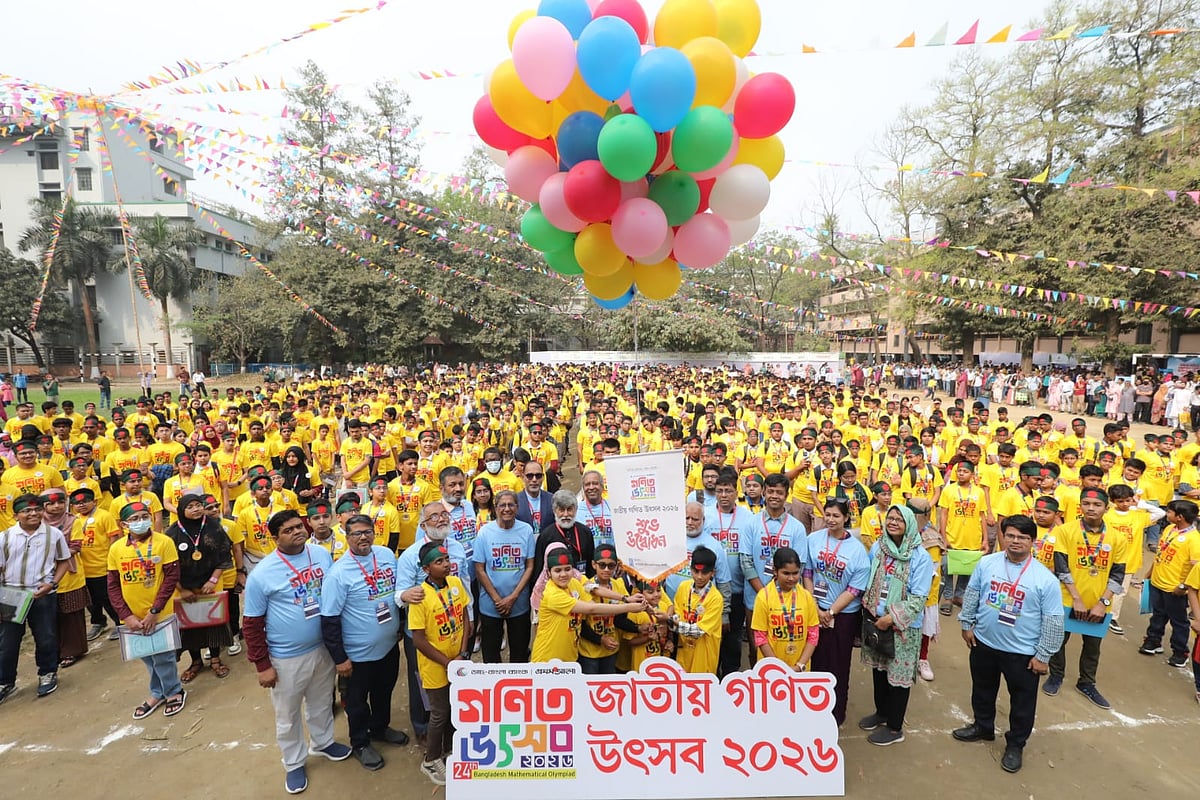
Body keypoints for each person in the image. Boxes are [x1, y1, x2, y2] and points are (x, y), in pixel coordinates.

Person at [243, 510, 351, 795]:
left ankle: (323, 743)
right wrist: (262, 664)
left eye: (298, 526)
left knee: (321, 702)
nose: (297, 532)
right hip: (286, 657)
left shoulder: (321, 555)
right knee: (288, 714)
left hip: (323, 649)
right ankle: (293, 763)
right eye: (288, 530)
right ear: (275, 537)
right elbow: (251, 624)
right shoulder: (262, 574)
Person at [953, 515, 1065, 774]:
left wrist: (1043, 655)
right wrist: (966, 623)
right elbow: (973, 593)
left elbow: (1054, 620)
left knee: (1022, 702)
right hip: (984, 643)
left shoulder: (1045, 579)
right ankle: (983, 726)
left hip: (1022, 653)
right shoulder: (987, 563)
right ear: (1003, 536)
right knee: (982, 689)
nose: (1015, 541)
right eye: (1011, 535)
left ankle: (1015, 744)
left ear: (1032, 541)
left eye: (1022, 537)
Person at [320, 513, 408, 771]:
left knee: (384, 690)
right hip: (357, 654)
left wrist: (400, 625)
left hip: (388, 646)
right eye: (356, 533)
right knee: (357, 702)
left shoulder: (386, 555)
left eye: (367, 531)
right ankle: (360, 742)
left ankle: (379, 727)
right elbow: (329, 620)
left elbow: (398, 594)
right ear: (347, 537)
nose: (363, 537)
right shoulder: (338, 573)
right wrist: (340, 658)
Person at [857, 504, 934, 746]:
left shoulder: (920, 557)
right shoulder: (879, 548)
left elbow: (918, 599)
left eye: (899, 520)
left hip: (902, 627)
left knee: (898, 676)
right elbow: (868, 577)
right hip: (875, 619)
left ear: (909, 524)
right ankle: (881, 713)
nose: (893, 523)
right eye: (890, 518)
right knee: (879, 669)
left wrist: (890, 619)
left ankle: (894, 727)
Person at [1044, 487, 1126, 709]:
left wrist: (1103, 602)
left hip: (1099, 603)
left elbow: (1118, 574)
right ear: (1080, 506)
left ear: (1106, 508)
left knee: (1092, 646)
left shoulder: (1117, 538)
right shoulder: (1065, 531)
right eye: (1086, 504)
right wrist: (1076, 599)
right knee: (1058, 640)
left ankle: (1086, 682)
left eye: (1097, 505)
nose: (1091, 508)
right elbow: (1061, 567)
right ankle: (1056, 675)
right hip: (1067, 598)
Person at [105, 501, 188, 719]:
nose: (140, 521)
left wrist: (154, 610)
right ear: (124, 524)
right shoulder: (116, 549)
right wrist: (126, 615)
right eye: (134, 519)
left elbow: (171, 578)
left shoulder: (164, 542)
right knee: (146, 655)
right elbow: (113, 585)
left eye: (144, 516)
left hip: (160, 613)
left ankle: (173, 691)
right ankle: (158, 692)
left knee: (163, 655)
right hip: (132, 616)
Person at [409, 540, 472, 786]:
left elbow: (465, 617)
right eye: (439, 562)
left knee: (455, 707)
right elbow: (418, 640)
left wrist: (464, 652)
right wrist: (447, 662)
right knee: (440, 712)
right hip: (436, 666)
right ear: (426, 569)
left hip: (458, 660)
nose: (446, 564)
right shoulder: (420, 597)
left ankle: (448, 750)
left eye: (447, 559)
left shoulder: (455, 583)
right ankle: (430, 759)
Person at [804, 496, 870, 726]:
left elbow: (854, 589)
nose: (830, 519)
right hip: (814, 608)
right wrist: (814, 605)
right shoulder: (813, 539)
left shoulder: (858, 550)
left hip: (843, 616)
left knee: (838, 665)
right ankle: (811, 710)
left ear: (846, 518)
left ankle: (835, 714)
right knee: (814, 660)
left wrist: (830, 613)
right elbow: (807, 572)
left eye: (836, 516)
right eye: (828, 514)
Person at [0, 493, 72, 703]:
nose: (33, 514)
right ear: (16, 515)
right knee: (7, 641)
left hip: (42, 594)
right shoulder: (5, 537)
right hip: (11, 596)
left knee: (46, 636)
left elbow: (64, 561)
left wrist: (52, 584)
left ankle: (47, 673)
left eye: (37, 509)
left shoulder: (53, 535)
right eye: (26, 511)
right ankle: (5, 681)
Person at [529, 544, 645, 663]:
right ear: (549, 573)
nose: (563, 574)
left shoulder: (574, 583)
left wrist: (625, 599)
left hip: (570, 658)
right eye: (558, 570)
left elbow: (594, 591)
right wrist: (629, 607)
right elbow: (591, 609)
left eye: (567, 569)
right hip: (547, 660)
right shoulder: (552, 594)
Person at [168, 492, 234, 683]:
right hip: (184, 588)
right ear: (181, 510)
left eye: (198, 505)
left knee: (214, 624)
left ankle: (215, 659)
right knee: (190, 626)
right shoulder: (172, 533)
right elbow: (168, 567)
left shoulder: (214, 527)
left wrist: (212, 580)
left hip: (211, 584)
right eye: (190, 507)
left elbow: (224, 555)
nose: (196, 509)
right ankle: (195, 661)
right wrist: (182, 589)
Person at [472, 490, 535, 664]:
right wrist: (497, 599)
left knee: (520, 652)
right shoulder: (485, 532)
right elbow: (479, 569)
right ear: (495, 507)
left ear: (517, 507)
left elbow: (529, 566)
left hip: (519, 603)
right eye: (502, 505)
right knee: (491, 654)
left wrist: (513, 597)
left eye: (511, 505)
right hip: (491, 604)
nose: (507, 509)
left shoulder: (526, 530)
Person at [1138, 499, 1200, 668]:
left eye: (1170, 512)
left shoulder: (1194, 539)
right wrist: (1150, 573)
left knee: (1178, 621)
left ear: (1180, 517)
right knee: (1158, 614)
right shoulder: (1169, 529)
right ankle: (1153, 640)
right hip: (1157, 582)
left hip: (1175, 588)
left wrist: (1183, 586)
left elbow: (1196, 568)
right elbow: (1161, 552)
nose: (1167, 514)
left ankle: (1180, 651)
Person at [750, 546, 818, 671]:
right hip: (771, 669)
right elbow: (760, 637)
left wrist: (800, 666)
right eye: (786, 573)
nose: (791, 578)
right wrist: (778, 668)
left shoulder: (807, 597)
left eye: (795, 573)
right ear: (775, 571)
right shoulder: (764, 597)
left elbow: (813, 634)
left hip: (800, 668)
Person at [41, 489, 87, 669]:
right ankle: (56, 651)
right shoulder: (38, 523)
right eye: (51, 503)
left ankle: (72, 650)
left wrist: (52, 554)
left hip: (70, 574)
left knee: (71, 616)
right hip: (45, 576)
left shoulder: (72, 521)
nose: (57, 506)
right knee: (51, 618)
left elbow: (75, 546)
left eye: (60, 502)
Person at [672, 545, 724, 674]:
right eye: (696, 572)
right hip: (684, 653)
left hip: (704, 656)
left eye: (704, 573)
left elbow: (699, 631)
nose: (699, 577)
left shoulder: (715, 598)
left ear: (713, 573)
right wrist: (670, 620)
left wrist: (670, 622)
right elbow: (677, 615)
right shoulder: (683, 587)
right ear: (690, 569)